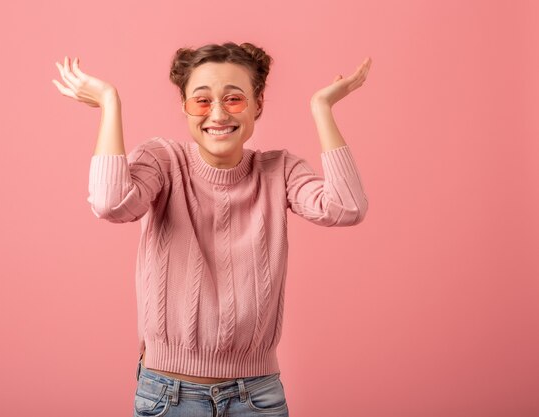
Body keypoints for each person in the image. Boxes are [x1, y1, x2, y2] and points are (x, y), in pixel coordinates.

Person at [53, 42, 371, 417]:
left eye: (234, 99)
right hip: (168, 395)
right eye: (201, 101)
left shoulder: (279, 170)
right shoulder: (163, 160)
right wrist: (110, 103)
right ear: (185, 107)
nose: (218, 114)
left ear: (258, 104)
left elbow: (348, 207)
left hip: (258, 396)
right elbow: (110, 203)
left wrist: (321, 108)